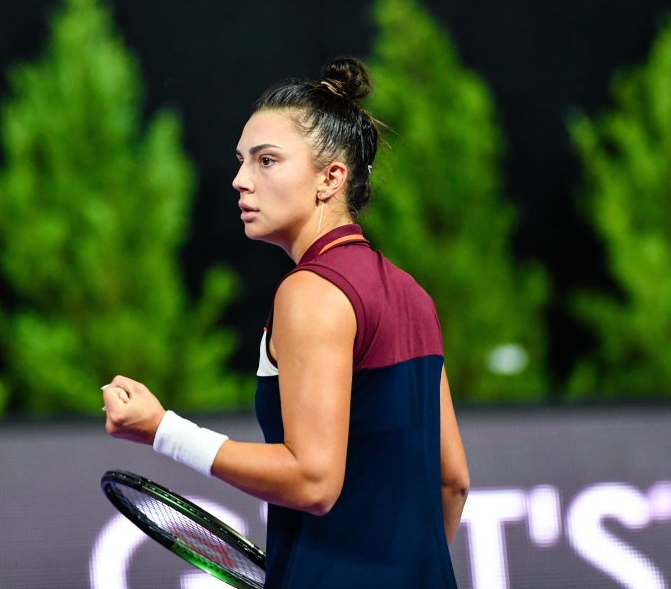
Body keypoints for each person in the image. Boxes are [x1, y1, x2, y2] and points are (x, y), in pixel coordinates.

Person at [103, 57, 470, 588]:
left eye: (266, 160)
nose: (240, 181)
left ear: (330, 177)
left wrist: (163, 431)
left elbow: (313, 482)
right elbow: (453, 482)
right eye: (241, 161)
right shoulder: (414, 296)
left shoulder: (310, 293)